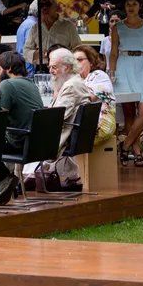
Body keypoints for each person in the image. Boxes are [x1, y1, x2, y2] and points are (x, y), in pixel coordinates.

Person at [0, 51, 43, 205]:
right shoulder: (31, 84)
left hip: (19, 142)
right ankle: (5, 183)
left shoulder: (7, 84)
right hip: (36, 142)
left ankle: (4, 180)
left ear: (9, 68)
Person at [108, 0, 143, 166]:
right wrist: (112, 72)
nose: (131, 7)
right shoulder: (118, 27)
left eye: (134, 4)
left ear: (140, 6)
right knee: (129, 113)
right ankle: (137, 152)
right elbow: (113, 52)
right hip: (123, 66)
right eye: (128, 4)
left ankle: (125, 145)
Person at [46, 48, 93, 187]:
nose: (51, 71)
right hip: (72, 135)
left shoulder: (70, 86)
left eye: (54, 67)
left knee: (18, 138)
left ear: (66, 67)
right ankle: (71, 177)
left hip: (61, 138)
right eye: (50, 67)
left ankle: (15, 180)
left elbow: (57, 117)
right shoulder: (75, 82)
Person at [73, 44, 117, 145]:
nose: (76, 63)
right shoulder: (76, 79)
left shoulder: (98, 75)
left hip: (101, 124)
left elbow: (88, 98)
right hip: (82, 122)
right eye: (73, 61)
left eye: (80, 60)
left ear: (91, 62)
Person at [23, 0, 81, 69]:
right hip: (41, 68)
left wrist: (63, 56)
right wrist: (37, 53)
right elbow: (26, 51)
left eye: (48, 4)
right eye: (41, 5)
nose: (44, 8)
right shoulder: (35, 28)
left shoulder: (68, 26)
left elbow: (78, 49)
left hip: (62, 67)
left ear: (56, 7)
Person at [15, 0, 39, 76]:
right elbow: (29, 50)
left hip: (23, 66)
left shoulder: (26, 23)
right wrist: (30, 73)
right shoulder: (33, 25)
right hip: (28, 69)